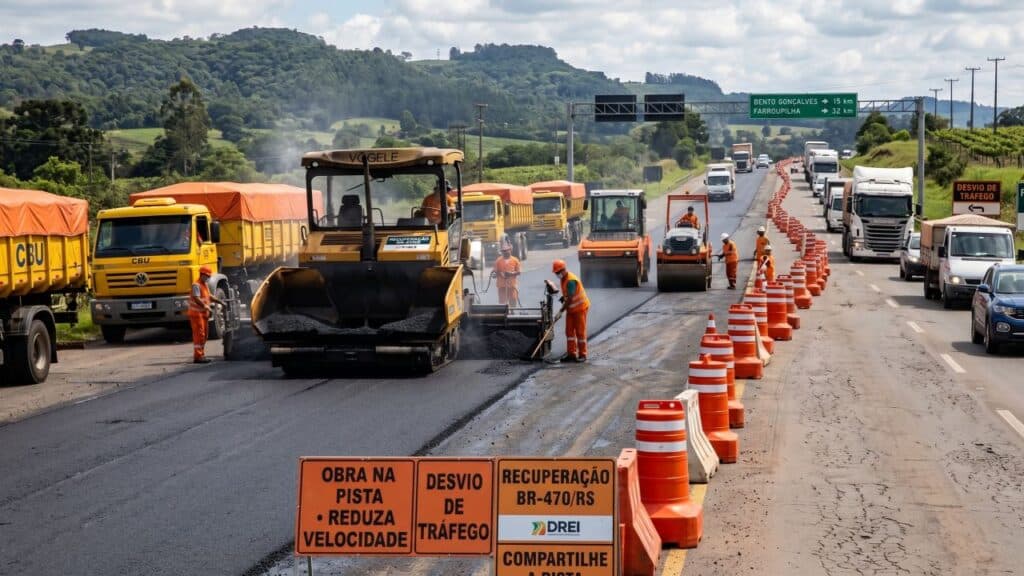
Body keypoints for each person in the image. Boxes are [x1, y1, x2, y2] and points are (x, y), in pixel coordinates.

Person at [552, 259, 590, 363]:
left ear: (563, 270)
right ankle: (571, 354)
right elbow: (567, 296)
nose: (557, 274)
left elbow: (570, 298)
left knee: (580, 332)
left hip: (580, 308)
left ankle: (583, 354)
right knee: (569, 331)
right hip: (571, 309)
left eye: (558, 272)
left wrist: (561, 310)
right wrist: (562, 300)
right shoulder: (563, 279)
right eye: (556, 273)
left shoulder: (571, 281)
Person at [189, 266, 225, 364]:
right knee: (199, 335)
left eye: (209, 276)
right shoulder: (196, 285)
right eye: (207, 276)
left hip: (203, 314)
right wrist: (205, 305)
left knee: (204, 335)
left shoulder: (204, 284)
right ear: (202, 274)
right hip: (197, 315)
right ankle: (198, 357)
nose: (208, 278)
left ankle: (201, 355)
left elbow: (209, 296)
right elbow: (196, 298)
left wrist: (219, 301)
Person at [491, 242, 522, 306]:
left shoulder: (515, 260)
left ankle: (513, 313)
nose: (505, 252)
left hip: (512, 285)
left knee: (513, 299)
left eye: (506, 250)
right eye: (503, 251)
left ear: (510, 250)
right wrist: (498, 274)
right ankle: (504, 314)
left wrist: (511, 273)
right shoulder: (498, 261)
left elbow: (519, 272)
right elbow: (495, 271)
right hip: (501, 285)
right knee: (502, 302)